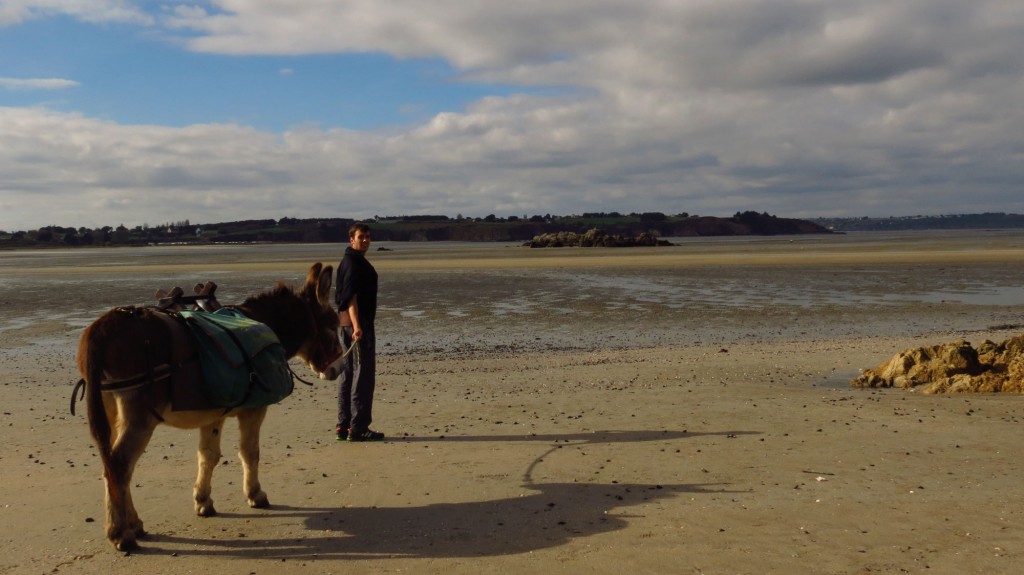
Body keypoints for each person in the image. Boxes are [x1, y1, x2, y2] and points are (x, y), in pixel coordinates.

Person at [334, 222, 384, 442]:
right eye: (361, 237)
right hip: (356, 325)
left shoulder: (351, 261)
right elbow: (351, 299)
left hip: (347, 324)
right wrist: (357, 327)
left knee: (349, 374)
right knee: (362, 375)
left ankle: (344, 426)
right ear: (351, 239)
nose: (365, 240)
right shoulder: (353, 263)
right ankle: (358, 427)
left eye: (368, 237)